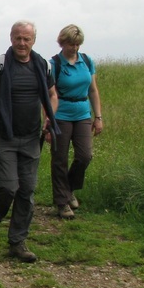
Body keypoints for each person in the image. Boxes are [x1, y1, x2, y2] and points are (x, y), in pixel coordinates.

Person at [0, 20, 59, 263]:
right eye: (18, 38)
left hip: (32, 137)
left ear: (33, 40)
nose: (22, 43)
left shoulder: (42, 65)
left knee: (27, 191)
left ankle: (17, 242)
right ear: (11, 38)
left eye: (26, 39)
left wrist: (49, 117)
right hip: (5, 138)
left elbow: (52, 95)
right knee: (8, 188)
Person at [49, 24, 103, 220]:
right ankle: (62, 202)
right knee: (60, 158)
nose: (75, 47)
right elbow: (50, 94)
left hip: (82, 113)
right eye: (71, 43)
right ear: (62, 43)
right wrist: (48, 122)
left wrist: (98, 117)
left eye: (77, 44)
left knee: (85, 156)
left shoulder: (87, 61)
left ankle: (69, 189)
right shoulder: (54, 64)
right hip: (61, 115)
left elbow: (93, 90)